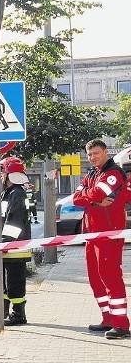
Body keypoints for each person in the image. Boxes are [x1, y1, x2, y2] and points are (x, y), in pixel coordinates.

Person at [73, 139, 130, 340]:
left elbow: (94, 193)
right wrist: (95, 200)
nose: (92, 157)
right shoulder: (93, 174)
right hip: (92, 235)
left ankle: (121, 324)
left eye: (96, 153)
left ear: (105, 152)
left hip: (109, 234)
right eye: (89, 155)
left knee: (110, 277)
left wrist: (90, 197)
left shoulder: (114, 173)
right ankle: (107, 318)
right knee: (96, 279)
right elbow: (75, 198)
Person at [0, 156, 31, 325]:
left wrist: (5, 242)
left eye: (2, 171)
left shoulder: (17, 194)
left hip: (13, 248)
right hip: (7, 246)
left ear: (10, 174)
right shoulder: (9, 193)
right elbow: (3, 216)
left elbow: (15, 221)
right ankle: (4, 309)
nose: (0, 175)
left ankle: (19, 315)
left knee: (15, 283)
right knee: (6, 282)